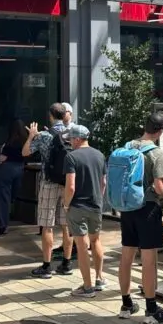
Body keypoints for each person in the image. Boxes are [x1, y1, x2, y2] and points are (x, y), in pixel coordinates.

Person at [118, 113, 163, 324]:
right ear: (160, 131)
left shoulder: (127, 146)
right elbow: (160, 189)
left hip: (127, 208)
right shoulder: (156, 153)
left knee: (126, 256)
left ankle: (126, 304)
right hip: (147, 209)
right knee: (148, 259)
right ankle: (151, 309)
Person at [24, 103, 74, 278]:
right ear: (64, 115)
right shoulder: (72, 134)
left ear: (51, 116)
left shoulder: (44, 135)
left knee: (47, 225)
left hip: (49, 182)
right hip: (68, 182)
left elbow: (25, 152)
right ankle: (66, 264)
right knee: (67, 225)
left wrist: (31, 136)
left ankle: (46, 266)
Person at [62, 125, 107, 298]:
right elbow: (103, 182)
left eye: (71, 139)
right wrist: (99, 199)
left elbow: (71, 186)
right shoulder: (100, 155)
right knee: (96, 241)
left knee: (81, 246)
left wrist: (67, 204)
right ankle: (100, 278)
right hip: (96, 204)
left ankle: (87, 287)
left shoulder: (71, 157)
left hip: (77, 206)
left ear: (77, 139)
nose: (70, 142)